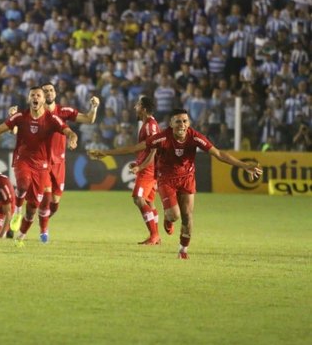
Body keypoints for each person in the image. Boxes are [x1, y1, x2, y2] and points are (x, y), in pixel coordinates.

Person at [88, 108, 262, 259]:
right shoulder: (162, 137)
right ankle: (168, 218)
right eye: (178, 121)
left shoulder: (195, 137)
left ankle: (183, 249)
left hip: (187, 178)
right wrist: (106, 152)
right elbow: (137, 147)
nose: (182, 125)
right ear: (171, 124)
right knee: (175, 215)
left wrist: (244, 165)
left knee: (187, 215)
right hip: (166, 179)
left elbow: (218, 154)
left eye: (185, 121)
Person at [0, 86, 78, 246]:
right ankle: (17, 211)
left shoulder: (51, 119)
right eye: (32, 95)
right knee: (23, 183)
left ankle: (21, 236)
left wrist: (72, 138)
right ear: (29, 99)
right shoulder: (21, 116)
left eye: (38, 95)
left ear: (42, 100)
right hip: (23, 160)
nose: (35, 97)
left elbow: (68, 131)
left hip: (42, 166)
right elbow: (0, 129)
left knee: (34, 207)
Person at [8, 81, 100, 236]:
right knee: (43, 198)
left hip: (58, 163)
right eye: (45, 91)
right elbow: (16, 129)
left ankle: (37, 221)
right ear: (42, 97)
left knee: (55, 203)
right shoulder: (32, 114)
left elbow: (89, 119)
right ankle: (27, 230)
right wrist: (11, 120)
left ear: (55, 93)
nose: (49, 93)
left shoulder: (63, 111)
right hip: (40, 163)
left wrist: (95, 106)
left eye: (51, 90)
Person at [92, 96, 162, 245]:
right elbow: (146, 150)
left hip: (149, 169)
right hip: (150, 167)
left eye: (137, 105)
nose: (134, 108)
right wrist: (138, 162)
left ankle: (154, 235)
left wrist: (141, 166)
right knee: (149, 202)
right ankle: (156, 236)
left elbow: (153, 151)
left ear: (143, 108)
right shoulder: (146, 124)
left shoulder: (150, 126)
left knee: (138, 198)